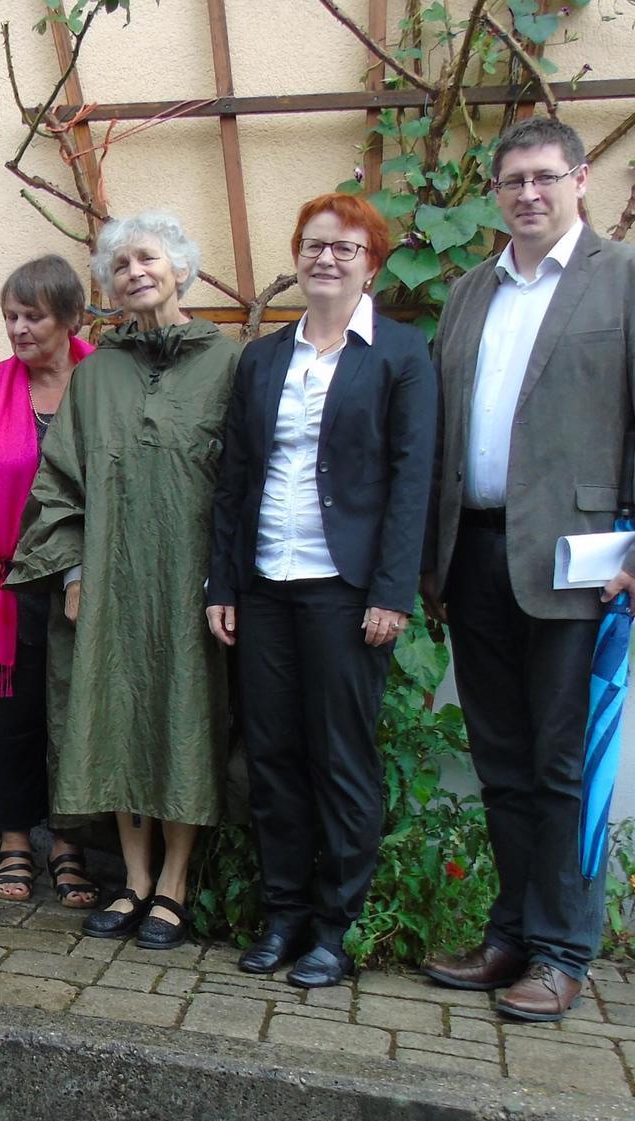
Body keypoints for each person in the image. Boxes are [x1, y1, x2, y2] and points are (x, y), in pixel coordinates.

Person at [419, 116, 635, 1022]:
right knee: (501, 763)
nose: (528, 195)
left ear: (580, 179)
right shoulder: (471, 290)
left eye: (545, 177)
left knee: (562, 766)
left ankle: (561, 950)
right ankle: (509, 932)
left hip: (578, 563)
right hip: (473, 553)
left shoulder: (620, 282)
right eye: (511, 181)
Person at [206, 194, 437, 987]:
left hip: (347, 590)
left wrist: (392, 590)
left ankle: (332, 929)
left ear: (370, 260)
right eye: (312, 246)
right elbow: (235, 478)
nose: (325, 259)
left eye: (343, 248)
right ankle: (282, 916)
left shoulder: (400, 355)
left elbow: (413, 482)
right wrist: (222, 580)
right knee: (270, 756)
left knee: (340, 758)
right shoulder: (264, 359)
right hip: (266, 583)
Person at [8, 212, 237, 949]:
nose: (135, 271)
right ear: (106, 285)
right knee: (112, 720)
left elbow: (248, 481)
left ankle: (174, 884)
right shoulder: (95, 374)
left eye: (148, 258)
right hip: (107, 582)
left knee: (181, 719)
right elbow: (59, 480)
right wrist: (71, 569)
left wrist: (227, 581)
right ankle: (133, 879)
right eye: (121, 264)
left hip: (189, 585)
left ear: (179, 266)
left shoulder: (229, 364)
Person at [0, 255, 99, 905]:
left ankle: (68, 843)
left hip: (82, 586)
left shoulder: (104, 383)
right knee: (9, 717)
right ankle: (11, 840)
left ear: (69, 318)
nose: (17, 328)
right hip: (2, 587)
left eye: (32, 315)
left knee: (74, 719)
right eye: (9, 315)